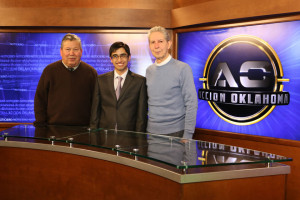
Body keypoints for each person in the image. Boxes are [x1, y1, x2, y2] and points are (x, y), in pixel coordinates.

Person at [34, 33, 98, 127]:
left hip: (83, 130)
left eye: (75, 49)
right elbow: (40, 99)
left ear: (81, 51)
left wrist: (93, 126)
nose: (71, 53)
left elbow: (96, 104)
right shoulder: (49, 71)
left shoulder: (91, 72)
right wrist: (41, 125)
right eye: (68, 49)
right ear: (61, 51)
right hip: (53, 130)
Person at [146, 26, 198, 139]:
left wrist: (188, 135)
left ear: (168, 44)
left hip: (176, 133)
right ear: (149, 46)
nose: (156, 46)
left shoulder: (183, 68)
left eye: (160, 41)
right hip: (151, 133)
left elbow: (191, 103)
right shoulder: (149, 70)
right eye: (152, 42)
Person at [90, 41, 147, 132]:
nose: (119, 60)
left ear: (129, 57)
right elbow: (95, 112)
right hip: (105, 133)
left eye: (123, 55)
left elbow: (141, 116)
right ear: (111, 59)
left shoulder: (140, 81)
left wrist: (139, 139)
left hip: (129, 134)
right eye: (115, 56)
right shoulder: (101, 80)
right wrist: (93, 134)